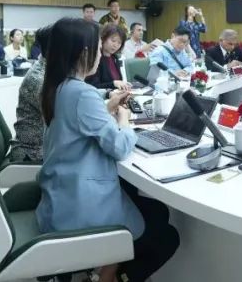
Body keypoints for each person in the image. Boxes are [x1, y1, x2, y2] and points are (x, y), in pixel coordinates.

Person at [36, 18, 178, 282]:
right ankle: (109, 275)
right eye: (98, 49)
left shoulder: (57, 87)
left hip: (61, 195)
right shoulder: (82, 93)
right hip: (81, 204)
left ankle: (107, 269)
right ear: (84, 53)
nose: (101, 54)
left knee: (156, 211)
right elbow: (121, 147)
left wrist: (107, 108)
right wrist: (124, 120)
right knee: (167, 236)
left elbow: (76, 123)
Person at [11, 25, 52, 163]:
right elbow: (62, 119)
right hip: (32, 154)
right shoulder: (39, 79)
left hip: (45, 148)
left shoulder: (50, 70)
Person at [86, 24, 131, 91]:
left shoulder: (115, 58)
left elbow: (118, 81)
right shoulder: (96, 58)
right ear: (103, 38)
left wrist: (123, 84)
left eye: (119, 43)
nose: (115, 45)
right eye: (113, 41)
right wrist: (113, 83)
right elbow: (93, 86)